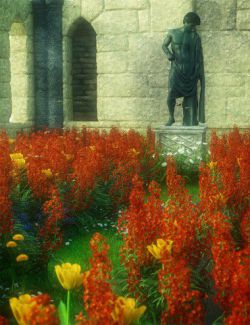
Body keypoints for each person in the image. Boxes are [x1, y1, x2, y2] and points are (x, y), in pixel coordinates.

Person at [162, 12, 205, 126]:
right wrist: (168, 54)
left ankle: (190, 120)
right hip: (176, 69)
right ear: (185, 22)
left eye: (194, 26)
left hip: (190, 72)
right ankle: (171, 117)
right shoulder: (172, 33)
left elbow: (199, 56)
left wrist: (199, 71)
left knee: (190, 96)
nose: (193, 28)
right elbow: (164, 45)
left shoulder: (195, 37)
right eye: (192, 25)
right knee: (171, 93)